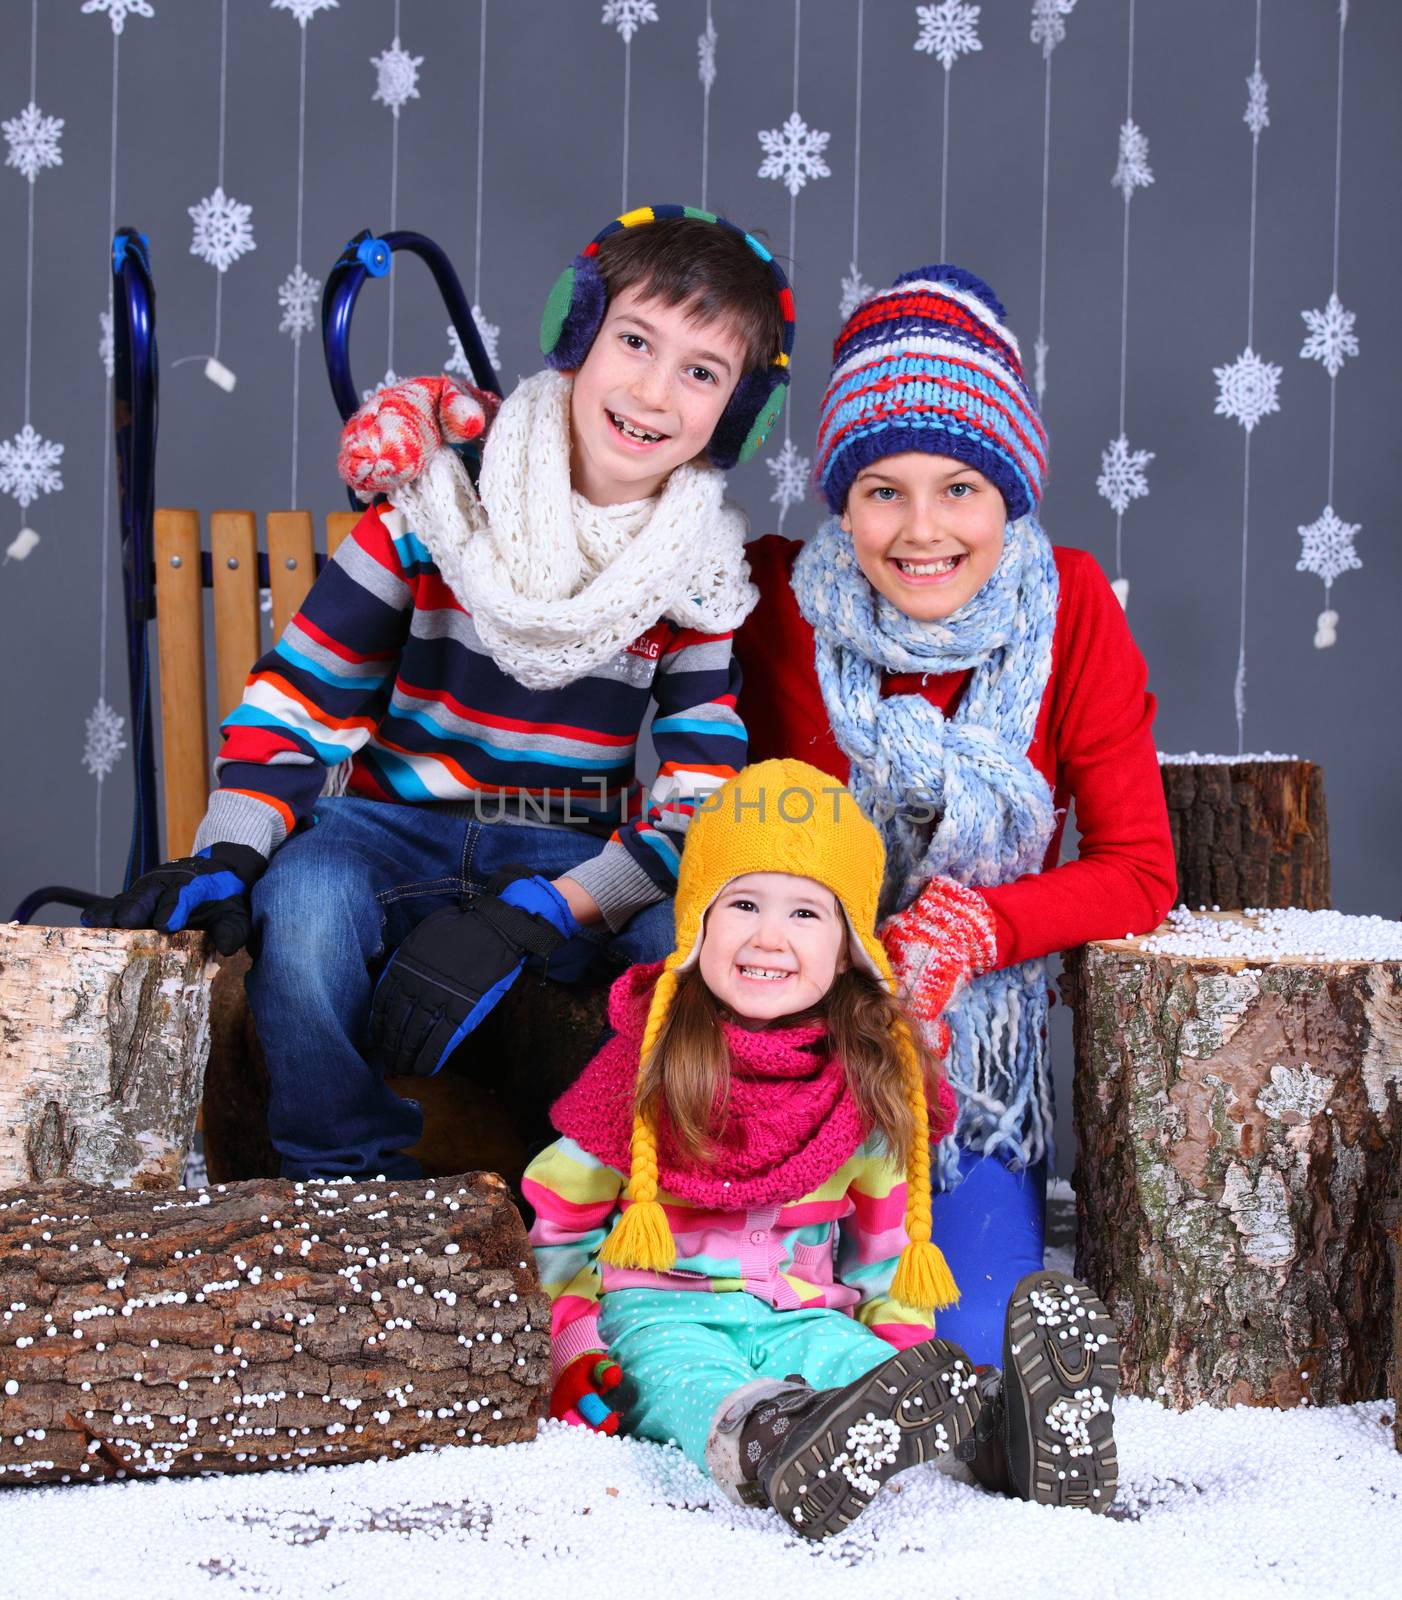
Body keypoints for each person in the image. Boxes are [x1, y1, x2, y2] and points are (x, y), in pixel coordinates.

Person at [84, 205, 795, 1180]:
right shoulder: (435, 507)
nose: (653, 389)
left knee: (689, 931)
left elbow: (696, 800)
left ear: (735, 412)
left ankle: (618, 1177)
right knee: (309, 899)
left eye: (701, 372)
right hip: (388, 826)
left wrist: (546, 910)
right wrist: (231, 853)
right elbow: (296, 702)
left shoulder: (698, 575)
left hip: (562, 843)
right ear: (580, 338)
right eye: (634, 341)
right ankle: (340, 1171)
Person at [733, 267, 1177, 1365]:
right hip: (785, 1039)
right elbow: (616, 509)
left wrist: (972, 927)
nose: (920, 530)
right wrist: (466, 442)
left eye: (960, 488)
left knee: (968, 1341)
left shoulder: (1069, 608)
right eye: (881, 489)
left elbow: (1137, 870)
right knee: (777, 1328)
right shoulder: (772, 597)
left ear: (1010, 490)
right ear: (840, 498)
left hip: (966, 1067)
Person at [525, 759, 1121, 1540]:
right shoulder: (651, 1057)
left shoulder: (866, 1074)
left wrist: (907, 1356)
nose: (769, 937)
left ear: (849, 947)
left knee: (856, 1365)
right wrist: (572, 1340)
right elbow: (558, 1219)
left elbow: (883, 1248)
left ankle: (1000, 1437)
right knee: (684, 1381)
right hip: (660, 1311)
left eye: (807, 914)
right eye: (742, 903)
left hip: (803, 1310)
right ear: (697, 921)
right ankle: (773, 1441)